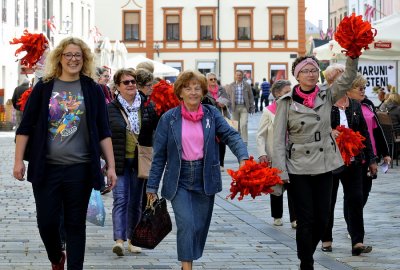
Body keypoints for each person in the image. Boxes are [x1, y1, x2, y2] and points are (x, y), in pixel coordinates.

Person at [13, 37, 117, 270]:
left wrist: (110, 166)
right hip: (46, 168)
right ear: (59, 57)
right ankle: (56, 256)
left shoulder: (93, 89)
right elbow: (25, 127)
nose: (73, 59)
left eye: (78, 55)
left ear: (85, 59)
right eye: (68, 55)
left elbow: (103, 131)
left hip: (79, 169)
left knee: (75, 225)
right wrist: (18, 161)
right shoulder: (44, 87)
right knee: (47, 223)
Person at [146, 70, 249, 270]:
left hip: (204, 177)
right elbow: (159, 156)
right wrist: (152, 186)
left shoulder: (212, 115)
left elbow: (231, 135)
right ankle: (187, 266)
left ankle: (189, 258)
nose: (192, 92)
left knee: (199, 227)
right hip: (179, 178)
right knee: (187, 224)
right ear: (180, 93)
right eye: (187, 88)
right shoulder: (169, 119)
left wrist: (243, 157)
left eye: (197, 88)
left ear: (203, 92)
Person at [272, 54, 358, 270]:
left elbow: (347, 79)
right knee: (306, 219)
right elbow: (278, 139)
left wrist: (353, 57)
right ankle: (306, 263)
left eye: (313, 70)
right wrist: (280, 172)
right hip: (298, 166)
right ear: (297, 76)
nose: (311, 74)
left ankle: (306, 254)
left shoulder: (327, 94)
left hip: (324, 162)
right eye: (305, 71)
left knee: (322, 219)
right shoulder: (286, 102)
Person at [321, 65, 376, 256]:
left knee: (355, 199)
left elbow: (364, 133)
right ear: (330, 82)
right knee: (329, 200)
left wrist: (371, 159)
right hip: (330, 160)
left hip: (353, 160)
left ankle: (357, 241)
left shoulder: (353, 104)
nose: (344, 80)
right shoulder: (323, 102)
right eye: (339, 77)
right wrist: (329, 131)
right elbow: (314, 126)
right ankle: (326, 238)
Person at [107, 68, 151, 256]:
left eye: (133, 81)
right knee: (121, 199)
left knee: (136, 202)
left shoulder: (147, 107)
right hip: (119, 162)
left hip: (140, 162)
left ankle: (133, 239)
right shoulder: (110, 109)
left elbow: (154, 131)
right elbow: (104, 136)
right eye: (126, 82)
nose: (131, 85)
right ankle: (119, 240)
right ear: (118, 86)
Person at [346, 74, 391, 207]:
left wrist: (386, 153)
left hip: (370, 155)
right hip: (353, 156)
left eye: (364, 87)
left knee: (365, 192)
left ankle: (354, 221)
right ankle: (353, 225)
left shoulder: (368, 104)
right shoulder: (343, 107)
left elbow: (377, 130)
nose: (363, 90)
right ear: (348, 90)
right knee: (354, 195)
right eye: (359, 88)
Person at [256, 79, 296, 228]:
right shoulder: (268, 111)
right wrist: (262, 153)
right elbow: (260, 134)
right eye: (286, 92)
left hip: (292, 154)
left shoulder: (295, 108)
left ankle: (295, 218)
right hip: (274, 154)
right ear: (277, 94)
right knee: (276, 187)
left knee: (294, 186)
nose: (290, 95)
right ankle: (277, 216)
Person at [206, 72, 231, 171]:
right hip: (208, 119)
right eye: (211, 79)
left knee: (222, 140)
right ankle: (211, 162)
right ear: (207, 80)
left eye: (214, 79)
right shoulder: (204, 90)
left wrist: (223, 104)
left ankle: (221, 163)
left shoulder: (221, 89)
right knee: (210, 140)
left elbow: (227, 100)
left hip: (221, 117)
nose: (213, 81)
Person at [225, 69, 255, 144]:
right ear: (235, 76)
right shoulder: (231, 85)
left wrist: (252, 107)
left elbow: (251, 96)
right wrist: (227, 106)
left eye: (240, 75)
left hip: (244, 107)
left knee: (244, 124)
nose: (238, 76)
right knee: (235, 126)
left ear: (242, 76)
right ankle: (237, 140)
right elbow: (228, 96)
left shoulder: (247, 85)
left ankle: (244, 141)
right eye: (237, 75)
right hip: (234, 108)